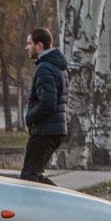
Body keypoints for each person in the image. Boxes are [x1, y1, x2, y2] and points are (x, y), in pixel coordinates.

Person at [20, 27, 68, 185]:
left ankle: (62, 203)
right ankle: (60, 203)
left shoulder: (45, 68)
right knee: (33, 176)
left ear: (39, 45)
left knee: (29, 177)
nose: (27, 48)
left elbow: (48, 103)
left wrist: (29, 118)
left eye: (29, 44)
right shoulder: (55, 66)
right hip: (53, 130)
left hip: (45, 131)